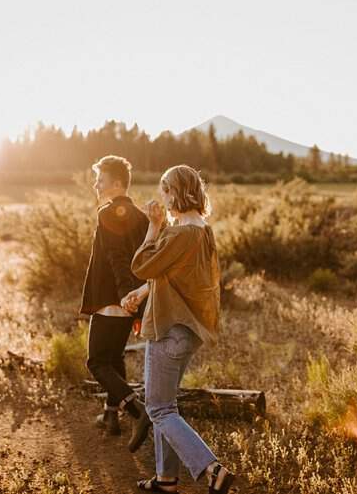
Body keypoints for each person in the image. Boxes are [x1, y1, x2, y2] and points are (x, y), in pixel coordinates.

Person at [128, 165, 237, 494]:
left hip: (169, 329)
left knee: (158, 408)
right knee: (167, 405)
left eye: (166, 191)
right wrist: (144, 292)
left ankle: (212, 469)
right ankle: (166, 479)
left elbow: (141, 264)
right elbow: (174, 276)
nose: (163, 198)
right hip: (188, 331)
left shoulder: (179, 233)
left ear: (177, 192)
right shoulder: (202, 230)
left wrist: (153, 226)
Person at [77, 155, 151, 444]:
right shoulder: (142, 217)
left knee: (96, 362)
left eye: (101, 180)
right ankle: (110, 416)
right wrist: (136, 300)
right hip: (130, 298)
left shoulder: (108, 212)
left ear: (117, 184)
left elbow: (117, 256)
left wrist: (124, 295)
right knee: (114, 358)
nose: (96, 184)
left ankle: (136, 410)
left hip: (113, 298)